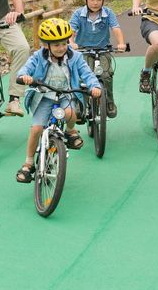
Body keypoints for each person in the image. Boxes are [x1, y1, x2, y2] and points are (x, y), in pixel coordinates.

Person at [15, 18, 102, 183]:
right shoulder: (38, 57)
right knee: (36, 129)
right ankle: (28, 164)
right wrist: (24, 76)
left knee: (70, 112)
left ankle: (70, 131)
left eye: (64, 43)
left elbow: (87, 73)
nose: (61, 48)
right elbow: (26, 68)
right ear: (46, 45)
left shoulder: (75, 57)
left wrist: (94, 86)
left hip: (66, 94)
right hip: (44, 96)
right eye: (56, 45)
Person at [68, 0, 126, 118]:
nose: (95, 2)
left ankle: (109, 102)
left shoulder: (108, 13)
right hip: (83, 50)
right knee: (82, 77)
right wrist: (71, 42)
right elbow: (70, 31)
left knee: (106, 75)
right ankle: (80, 103)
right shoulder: (78, 14)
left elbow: (116, 28)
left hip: (103, 49)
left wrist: (121, 43)